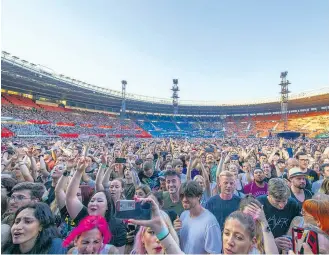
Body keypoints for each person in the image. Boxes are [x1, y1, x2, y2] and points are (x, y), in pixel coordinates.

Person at [65, 157, 127, 252]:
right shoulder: (83, 215)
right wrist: (78, 171)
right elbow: (70, 197)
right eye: (92, 200)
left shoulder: (117, 225)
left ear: (107, 207)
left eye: (99, 201)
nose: (94, 203)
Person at [2, 202, 67, 254]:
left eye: (27, 221)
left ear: (41, 226)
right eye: (16, 222)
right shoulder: (6, 245)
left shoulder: (55, 245)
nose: (18, 227)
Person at [177, 181, 222, 254]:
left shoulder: (210, 222)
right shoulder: (183, 216)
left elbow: (214, 252)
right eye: (182, 196)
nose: (184, 199)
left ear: (199, 196)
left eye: (189, 195)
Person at [257, 178, 300, 251]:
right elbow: (251, 233)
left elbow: (298, 225)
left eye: (284, 200)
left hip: (286, 248)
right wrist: (271, 242)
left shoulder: (293, 204)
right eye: (277, 201)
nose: (281, 205)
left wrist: (290, 240)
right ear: (268, 194)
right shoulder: (259, 203)